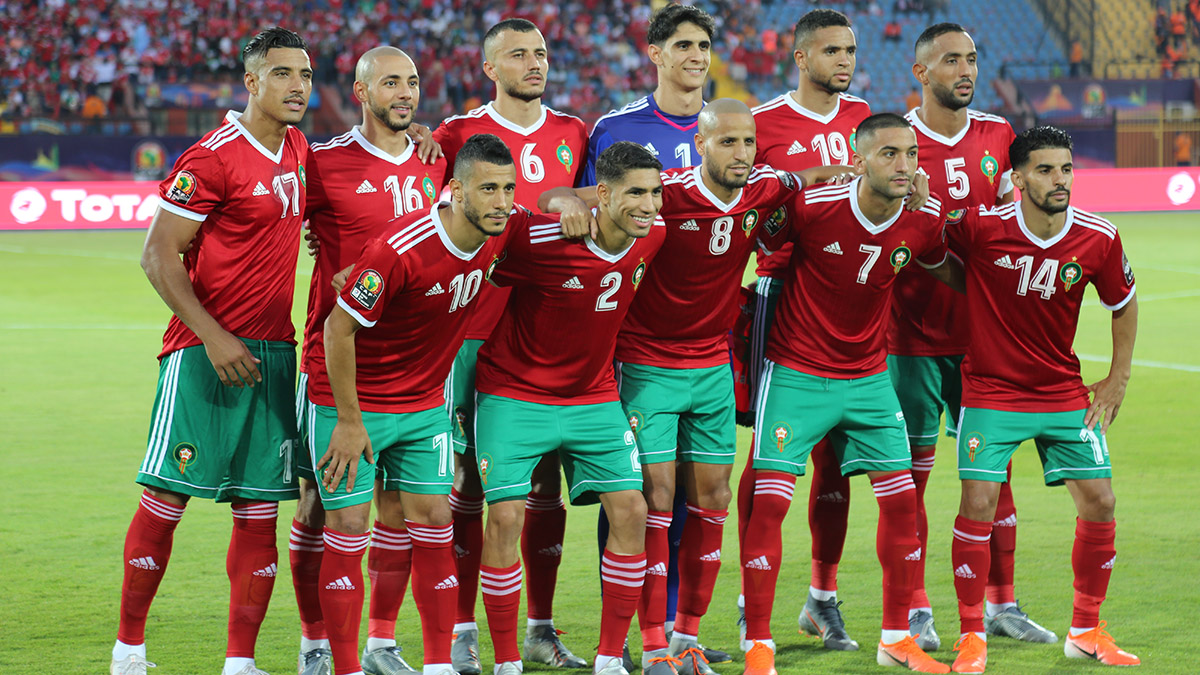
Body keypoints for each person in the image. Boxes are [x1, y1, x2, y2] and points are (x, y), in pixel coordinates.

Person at [110, 27, 312, 675]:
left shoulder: (299, 148)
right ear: (251, 82)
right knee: (166, 499)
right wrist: (212, 335)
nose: (298, 86)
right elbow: (157, 255)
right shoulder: (213, 158)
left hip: (273, 355)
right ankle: (128, 651)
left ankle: (239, 661)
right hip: (202, 352)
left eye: (305, 74)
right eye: (282, 74)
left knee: (258, 512)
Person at [310, 133, 542, 675]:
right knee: (348, 527)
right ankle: (345, 668)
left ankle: (436, 665)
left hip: (422, 405)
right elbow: (336, 329)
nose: (502, 201)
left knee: (436, 521)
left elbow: (552, 219)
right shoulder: (399, 249)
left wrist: (577, 201)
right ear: (455, 190)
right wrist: (349, 421)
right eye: (489, 189)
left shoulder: (502, 228)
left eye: (509, 189)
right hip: (354, 403)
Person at [739, 113, 958, 675]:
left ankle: (895, 639)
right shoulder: (814, 207)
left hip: (868, 378)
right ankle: (758, 642)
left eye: (912, 154)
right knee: (770, 502)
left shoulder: (923, 220)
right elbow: (755, 241)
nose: (905, 165)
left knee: (902, 503)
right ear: (858, 162)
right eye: (889, 154)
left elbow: (950, 270)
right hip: (797, 373)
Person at [942, 126, 1140, 673]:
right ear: (1018, 178)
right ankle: (971, 634)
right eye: (1046, 170)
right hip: (991, 390)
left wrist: (1118, 376)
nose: (1060, 180)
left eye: (1067, 169)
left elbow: (1124, 302)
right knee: (978, 504)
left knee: (1100, 502)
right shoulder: (982, 227)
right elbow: (926, 239)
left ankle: (1085, 630)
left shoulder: (1099, 237)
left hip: (1061, 391)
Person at [431, 18, 591, 674]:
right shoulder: (454, 135)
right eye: (519, 54)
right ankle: (462, 628)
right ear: (490, 67)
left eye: (541, 53)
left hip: (546, 333)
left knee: (545, 480)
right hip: (470, 330)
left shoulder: (574, 132)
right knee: (470, 480)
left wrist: (571, 196)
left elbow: (596, 205)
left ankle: (540, 629)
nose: (535, 63)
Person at [474, 141, 668, 675]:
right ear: (602, 194)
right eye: (636, 193)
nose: (649, 206)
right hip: (514, 392)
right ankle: (507, 661)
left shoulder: (653, 236)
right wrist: (559, 201)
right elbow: (470, 243)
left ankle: (609, 659)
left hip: (593, 396)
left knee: (632, 510)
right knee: (505, 517)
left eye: (655, 194)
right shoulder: (541, 239)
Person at [891, 23, 1056, 651]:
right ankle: (913, 607)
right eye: (951, 61)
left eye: (972, 59)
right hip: (909, 338)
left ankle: (1001, 604)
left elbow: (1020, 223)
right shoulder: (899, 142)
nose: (966, 71)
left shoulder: (998, 135)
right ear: (921, 72)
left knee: (995, 475)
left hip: (984, 343)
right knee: (909, 479)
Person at [582, 8, 734, 665]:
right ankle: (631, 630)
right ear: (655, 53)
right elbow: (588, 212)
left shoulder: (731, 130)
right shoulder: (617, 129)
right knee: (638, 492)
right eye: (683, 45)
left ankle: (675, 629)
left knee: (697, 497)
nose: (696, 56)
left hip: (709, 346)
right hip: (637, 343)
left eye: (704, 45)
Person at [290, 46, 448, 675]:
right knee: (323, 508)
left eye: (412, 82)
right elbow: (275, 224)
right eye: (390, 83)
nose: (405, 92)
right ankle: (316, 645)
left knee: (407, 513)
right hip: (338, 365)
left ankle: (381, 642)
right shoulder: (323, 162)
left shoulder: (437, 162)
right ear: (360, 92)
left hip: (416, 371)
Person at [741, 9, 873, 653]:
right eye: (832, 50)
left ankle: (822, 599)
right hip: (785, 297)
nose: (844, 60)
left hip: (854, 301)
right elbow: (745, 209)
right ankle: (751, 601)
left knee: (837, 458)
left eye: (850, 49)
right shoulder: (761, 124)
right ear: (801, 57)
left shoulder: (866, 119)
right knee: (769, 457)